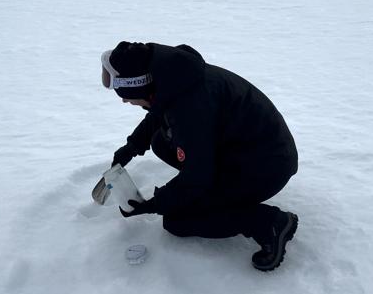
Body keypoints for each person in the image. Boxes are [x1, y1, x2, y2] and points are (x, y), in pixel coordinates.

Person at [101, 41, 299, 271]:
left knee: (178, 220)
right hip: (251, 150)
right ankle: (211, 188)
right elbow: (159, 112)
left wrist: (157, 203)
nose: (125, 101)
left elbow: (197, 176)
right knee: (160, 142)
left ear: (139, 88)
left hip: (265, 167)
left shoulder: (191, 108)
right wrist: (131, 147)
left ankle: (270, 224)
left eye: (125, 97)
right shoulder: (175, 78)